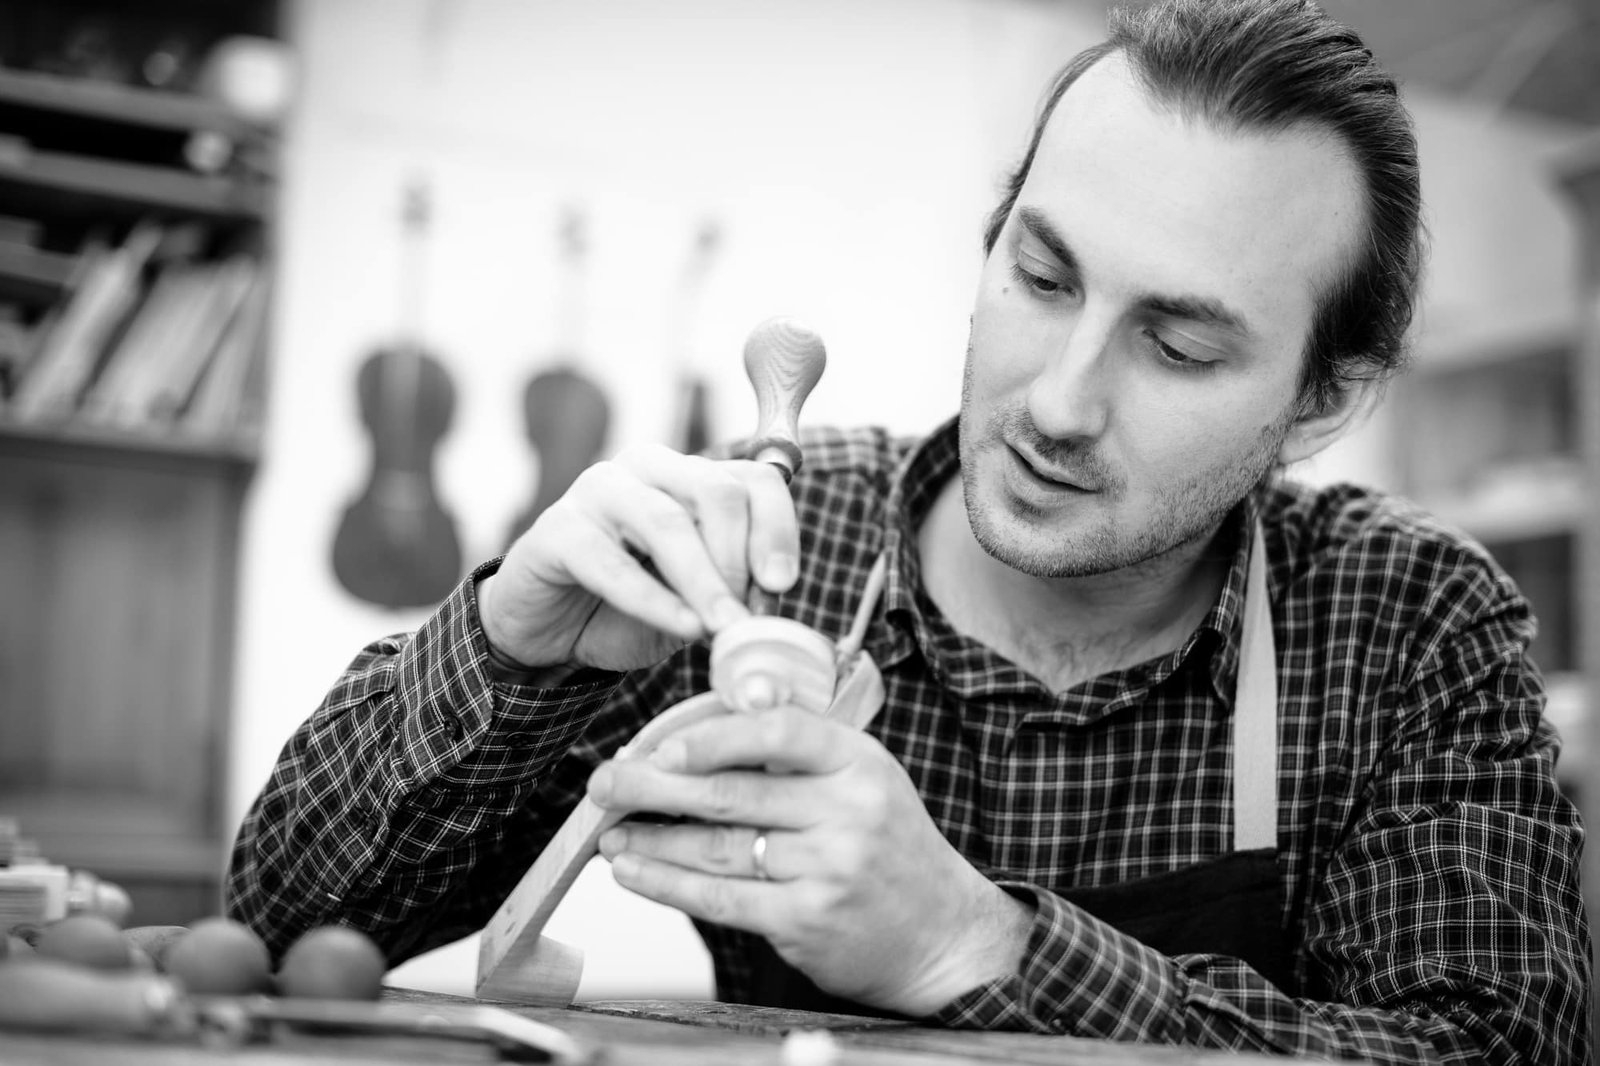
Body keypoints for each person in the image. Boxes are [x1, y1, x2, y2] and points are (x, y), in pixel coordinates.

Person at [226, 0, 1591, 1061]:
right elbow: (278, 930)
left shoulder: (1410, 621)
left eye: (1177, 347)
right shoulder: (764, 546)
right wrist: (506, 653)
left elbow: (1489, 1047)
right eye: (1042, 276)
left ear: (1322, 400)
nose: (1057, 404)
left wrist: (976, 944)